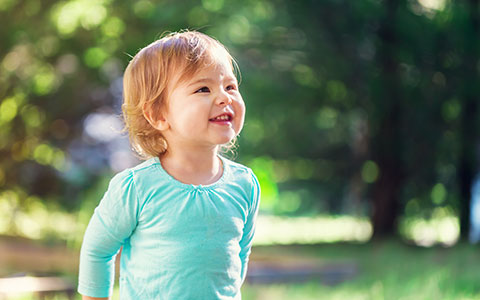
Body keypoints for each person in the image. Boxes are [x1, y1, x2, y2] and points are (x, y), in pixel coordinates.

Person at [77, 30, 261, 300]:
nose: (224, 98)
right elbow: (97, 250)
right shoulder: (136, 188)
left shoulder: (244, 184)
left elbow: (239, 257)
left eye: (230, 86)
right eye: (203, 89)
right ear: (159, 115)